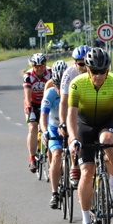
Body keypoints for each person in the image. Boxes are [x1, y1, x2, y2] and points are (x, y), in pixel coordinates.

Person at [66, 48, 113, 224]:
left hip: (106, 122)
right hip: (84, 125)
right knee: (87, 173)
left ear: (108, 69)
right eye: (94, 71)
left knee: (107, 142)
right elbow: (71, 115)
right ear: (87, 70)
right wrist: (73, 139)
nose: (98, 76)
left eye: (102, 71)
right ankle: (86, 222)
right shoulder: (77, 84)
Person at [40, 61, 69, 209]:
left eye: (62, 86)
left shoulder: (73, 91)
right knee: (57, 154)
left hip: (69, 128)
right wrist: (44, 131)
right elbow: (43, 116)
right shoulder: (50, 93)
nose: (59, 90)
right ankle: (54, 194)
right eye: (57, 86)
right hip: (53, 128)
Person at [22, 53, 52, 173]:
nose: (39, 69)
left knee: (50, 127)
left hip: (46, 103)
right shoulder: (28, 75)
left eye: (42, 66)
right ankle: (32, 158)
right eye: (36, 66)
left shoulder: (51, 73)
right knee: (33, 127)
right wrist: (29, 107)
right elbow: (27, 93)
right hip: (32, 103)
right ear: (33, 66)